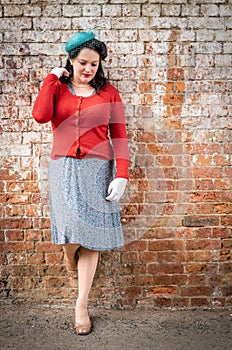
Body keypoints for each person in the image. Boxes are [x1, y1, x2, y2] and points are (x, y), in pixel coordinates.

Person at [32, 31, 129, 335]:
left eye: (94, 64)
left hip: (97, 168)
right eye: (83, 63)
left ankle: (81, 305)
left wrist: (122, 174)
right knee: (72, 230)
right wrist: (51, 78)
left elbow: (120, 135)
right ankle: (72, 262)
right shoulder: (57, 89)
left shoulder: (109, 93)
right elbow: (39, 116)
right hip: (62, 168)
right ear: (71, 61)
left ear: (100, 66)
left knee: (91, 234)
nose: (88, 69)